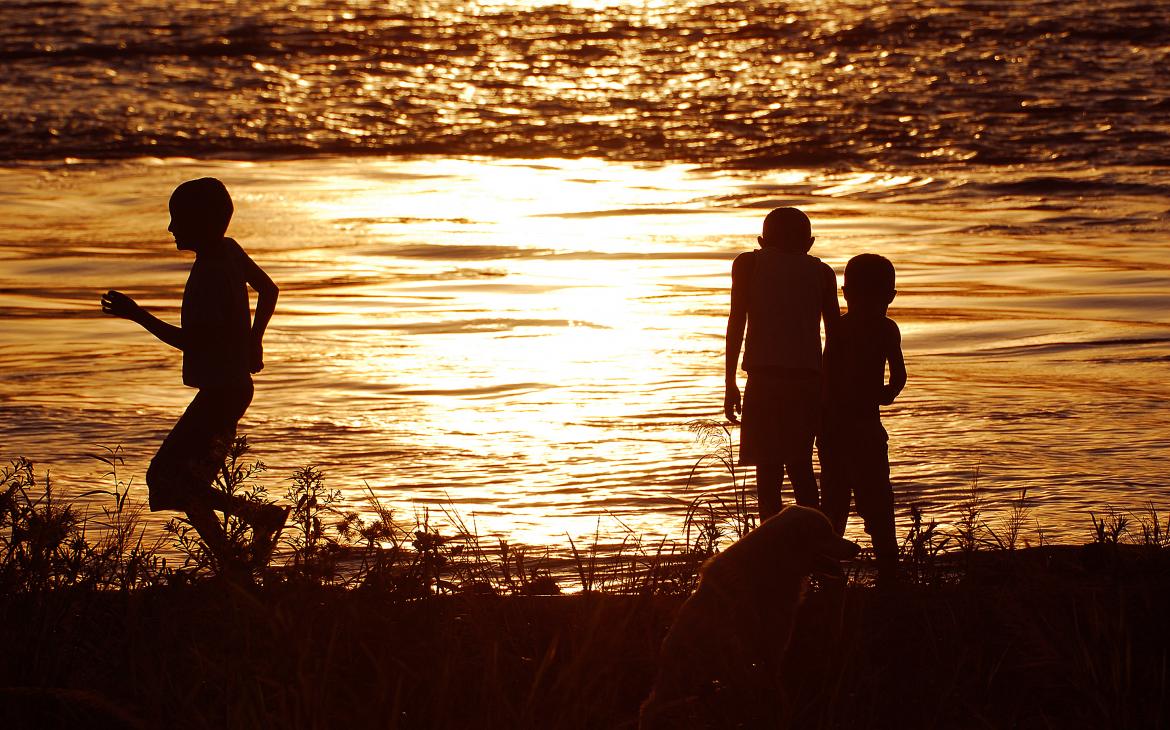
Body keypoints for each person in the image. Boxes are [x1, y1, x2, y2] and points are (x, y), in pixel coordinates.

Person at [101, 177, 286, 568]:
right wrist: (255, 340)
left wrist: (137, 315)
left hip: (221, 391)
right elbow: (269, 291)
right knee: (186, 482)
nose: (170, 229)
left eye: (178, 220)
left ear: (201, 221)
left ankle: (254, 524)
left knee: (168, 477)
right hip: (234, 387)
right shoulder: (229, 251)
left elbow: (194, 343)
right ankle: (234, 560)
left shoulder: (209, 274)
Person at [724, 207, 839, 522]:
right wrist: (829, 389)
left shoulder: (748, 264)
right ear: (810, 242)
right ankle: (817, 549)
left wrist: (729, 382)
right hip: (807, 382)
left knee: (768, 472)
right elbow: (835, 337)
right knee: (801, 467)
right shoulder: (823, 272)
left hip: (764, 379)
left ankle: (771, 550)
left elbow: (737, 321)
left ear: (761, 241)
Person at [818, 253, 906, 584]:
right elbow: (898, 375)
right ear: (891, 295)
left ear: (845, 292)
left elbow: (824, 377)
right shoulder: (884, 328)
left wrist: (820, 419)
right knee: (875, 502)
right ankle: (888, 573)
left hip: (839, 427)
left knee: (838, 502)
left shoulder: (840, 328)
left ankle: (831, 578)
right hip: (861, 427)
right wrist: (887, 393)